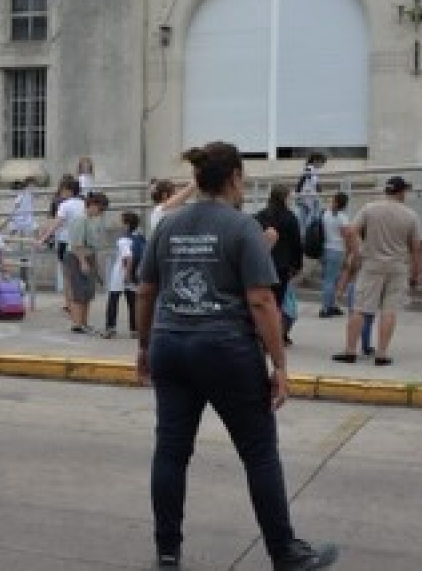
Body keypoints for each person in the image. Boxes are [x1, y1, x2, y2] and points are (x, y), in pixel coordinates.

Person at [136, 141, 338, 570]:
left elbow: (147, 290)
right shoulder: (241, 226)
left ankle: (167, 554)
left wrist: (143, 345)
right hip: (225, 348)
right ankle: (283, 552)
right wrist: (279, 364)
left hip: (170, 344)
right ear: (233, 178)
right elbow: (262, 300)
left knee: (171, 450)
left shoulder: (167, 225)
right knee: (259, 452)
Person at [332, 176, 422, 366]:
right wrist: (416, 273)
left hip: (371, 264)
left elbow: (350, 231)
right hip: (397, 267)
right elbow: (416, 247)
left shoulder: (369, 209)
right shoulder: (410, 215)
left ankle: (350, 350)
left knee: (359, 308)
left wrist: (355, 253)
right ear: (400, 192)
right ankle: (381, 353)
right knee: (389, 311)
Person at [254, 185, 302, 346]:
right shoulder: (290, 217)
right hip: (282, 266)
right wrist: (297, 265)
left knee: (261, 301)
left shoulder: (260, 216)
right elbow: (297, 244)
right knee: (276, 304)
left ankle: (259, 335)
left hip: (261, 263)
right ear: (284, 198)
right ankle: (273, 337)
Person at [62, 192, 108, 333]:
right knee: (78, 291)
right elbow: (76, 244)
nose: (101, 212)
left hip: (89, 255)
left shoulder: (92, 219)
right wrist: (83, 261)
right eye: (100, 209)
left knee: (88, 292)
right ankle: (77, 323)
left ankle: (84, 322)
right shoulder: (80, 219)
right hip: (77, 257)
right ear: (92, 205)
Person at [37, 177, 85, 305]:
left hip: (65, 241)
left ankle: (69, 303)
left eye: (63, 190)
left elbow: (56, 224)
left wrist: (43, 238)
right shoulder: (84, 204)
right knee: (79, 274)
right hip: (81, 242)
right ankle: (78, 302)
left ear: (69, 191)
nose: (61, 193)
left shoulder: (65, 205)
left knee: (67, 275)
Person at [102, 211, 141, 339]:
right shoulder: (139, 236)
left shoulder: (123, 240)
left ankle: (110, 328)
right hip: (135, 273)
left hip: (121, 274)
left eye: (120, 221)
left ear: (126, 225)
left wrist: (127, 275)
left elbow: (127, 258)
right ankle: (135, 330)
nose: (117, 223)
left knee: (113, 300)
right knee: (132, 302)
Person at [318, 192, 351, 318]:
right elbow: (346, 236)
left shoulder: (325, 214)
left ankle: (331, 306)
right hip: (337, 250)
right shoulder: (342, 218)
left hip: (325, 249)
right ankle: (325, 308)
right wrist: (348, 253)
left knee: (331, 279)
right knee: (331, 280)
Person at [295, 152, 327, 234]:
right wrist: (319, 188)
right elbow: (313, 182)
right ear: (316, 161)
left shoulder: (311, 169)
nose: (322, 165)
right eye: (322, 162)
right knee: (312, 216)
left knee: (306, 217)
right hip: (307, 196)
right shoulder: (310, 169)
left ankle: (305, 233)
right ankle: (308, 233)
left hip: (308, 196)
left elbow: (301, 182)